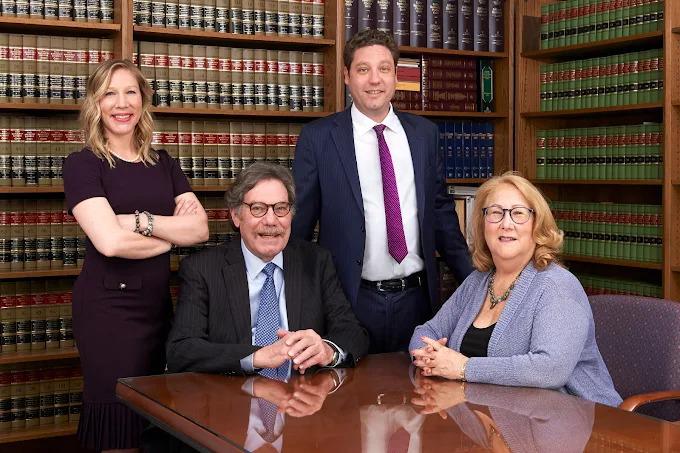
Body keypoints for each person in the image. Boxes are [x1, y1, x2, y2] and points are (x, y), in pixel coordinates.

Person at [292, 29, 473, 354]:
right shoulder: (318, 138)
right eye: (363, 69)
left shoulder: (424, 134)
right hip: (349, 301)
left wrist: (476, 282)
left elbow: (441, 215)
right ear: (347, 76)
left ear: (396, 76)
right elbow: (299, 227)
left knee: (418, 385)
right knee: (347, 386)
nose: (374, 79)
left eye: (384, 69)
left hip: (418, 301)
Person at [63, 59, 209, 452]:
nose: (122, 103)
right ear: (96, 103)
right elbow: (110, 243)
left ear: (143, 101)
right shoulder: (83, 165)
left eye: (131, 92)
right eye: (110, 93)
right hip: (108, 312)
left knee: (153, 424)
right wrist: (169, 237)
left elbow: (200, 229)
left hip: (159, 308)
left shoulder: (164, 164)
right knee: (119, 425)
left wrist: (138, 222)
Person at [409, 172, 622, 407]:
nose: (506, 224)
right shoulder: (477, 282)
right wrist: (429, 356)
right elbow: (427, 330)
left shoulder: (557, 286)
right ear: (482, 224)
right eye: (495, 213)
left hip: (577, 419)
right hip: (497, 417)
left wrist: (464, 368)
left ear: (537, 225)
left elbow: (549, 369)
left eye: (518, 213)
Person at [166, 161, 369, 377]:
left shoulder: (316, 261)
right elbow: (182, 350)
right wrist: (255, 357)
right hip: (233, 394)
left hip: (302, 393)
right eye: (258, 209)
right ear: (236, 215)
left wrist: (328, 351)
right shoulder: (203, 269)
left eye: (280, 208)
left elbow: (352, 331)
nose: (271, 220)